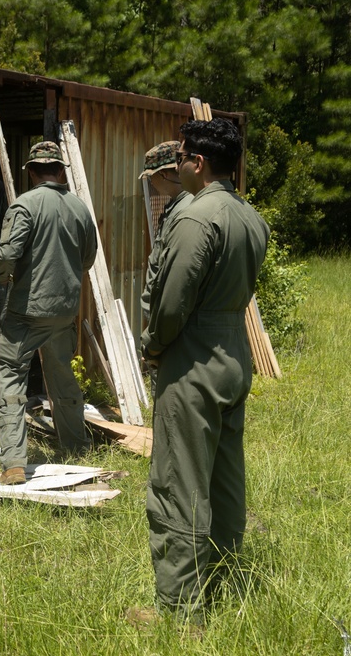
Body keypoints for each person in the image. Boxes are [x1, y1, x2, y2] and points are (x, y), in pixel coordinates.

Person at [137, 118, 270, 624]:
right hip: (235, 356)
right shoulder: (249, 216)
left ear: (198, 162)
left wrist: (154, 346)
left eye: (183, 157)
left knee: (179, 484)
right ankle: (227, 585)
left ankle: (180, 610)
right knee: (225, 480)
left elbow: (171, 305)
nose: (178, 166)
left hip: (194, 360)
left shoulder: (197, 218)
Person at [0, 141, 98, 485]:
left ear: (33, 172)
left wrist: (0, 276)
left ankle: (14, 463)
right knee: (62, 376)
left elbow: (8, 255)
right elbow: (88, 260)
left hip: (25, 311)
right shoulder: (81, 209)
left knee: (11, 377)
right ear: (61, 170)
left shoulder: (25, 205)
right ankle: (77, 447)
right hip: (64, 310)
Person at [139, 140, 193, 322]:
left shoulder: (186, 209)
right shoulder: (177, 205)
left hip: (170, 320)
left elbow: (179, 276)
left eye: (150, 177)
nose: (151, 183)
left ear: (161, 174)